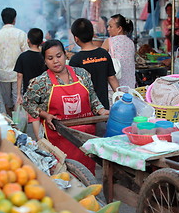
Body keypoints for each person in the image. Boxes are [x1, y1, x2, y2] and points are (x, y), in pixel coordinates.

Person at [23, 40, 108, 174]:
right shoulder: (40, 82)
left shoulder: (82, 75)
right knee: (64, 176)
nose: (56, 61)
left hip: (85, 137)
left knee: (87, 176)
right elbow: (28, 103)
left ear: (65, 55)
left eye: (59, 56)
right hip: (59, 137)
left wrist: (102, 111)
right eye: (50, 58)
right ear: (45, 61)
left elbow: (92, 98)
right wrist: (45, 115)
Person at [69, 18, 119, 110]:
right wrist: (120, 97)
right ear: (93, 34)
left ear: (76, 38)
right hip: (103, 106)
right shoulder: (103, 54)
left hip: (84, 108)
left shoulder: (75, 60)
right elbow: (112, 78)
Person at [0, 7, 28, 117]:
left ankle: (10, 121)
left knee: (7, 101)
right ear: (15, 19)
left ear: (2, 19)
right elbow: (26, 54)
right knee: (17, 99)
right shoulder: (21, 34)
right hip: (18, 74)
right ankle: (18, 124)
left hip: (3, 74)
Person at [14, 28, 46, 140]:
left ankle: (39, 139)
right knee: (45, 112)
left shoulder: (23, 57)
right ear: (42, 41)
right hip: (45, 90)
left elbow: (19, 76)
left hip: (29, 91)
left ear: (28, 40)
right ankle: (46, 136)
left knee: (34, 116)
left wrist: (19, 94)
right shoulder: (45, 56)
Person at [102, 14, 136, 88]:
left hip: (114, 86)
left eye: (110, 26)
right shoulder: (131, 42)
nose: (108, 29)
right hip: (130, 84)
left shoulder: (109, 41)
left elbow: (100, 60)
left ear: (119, 28)